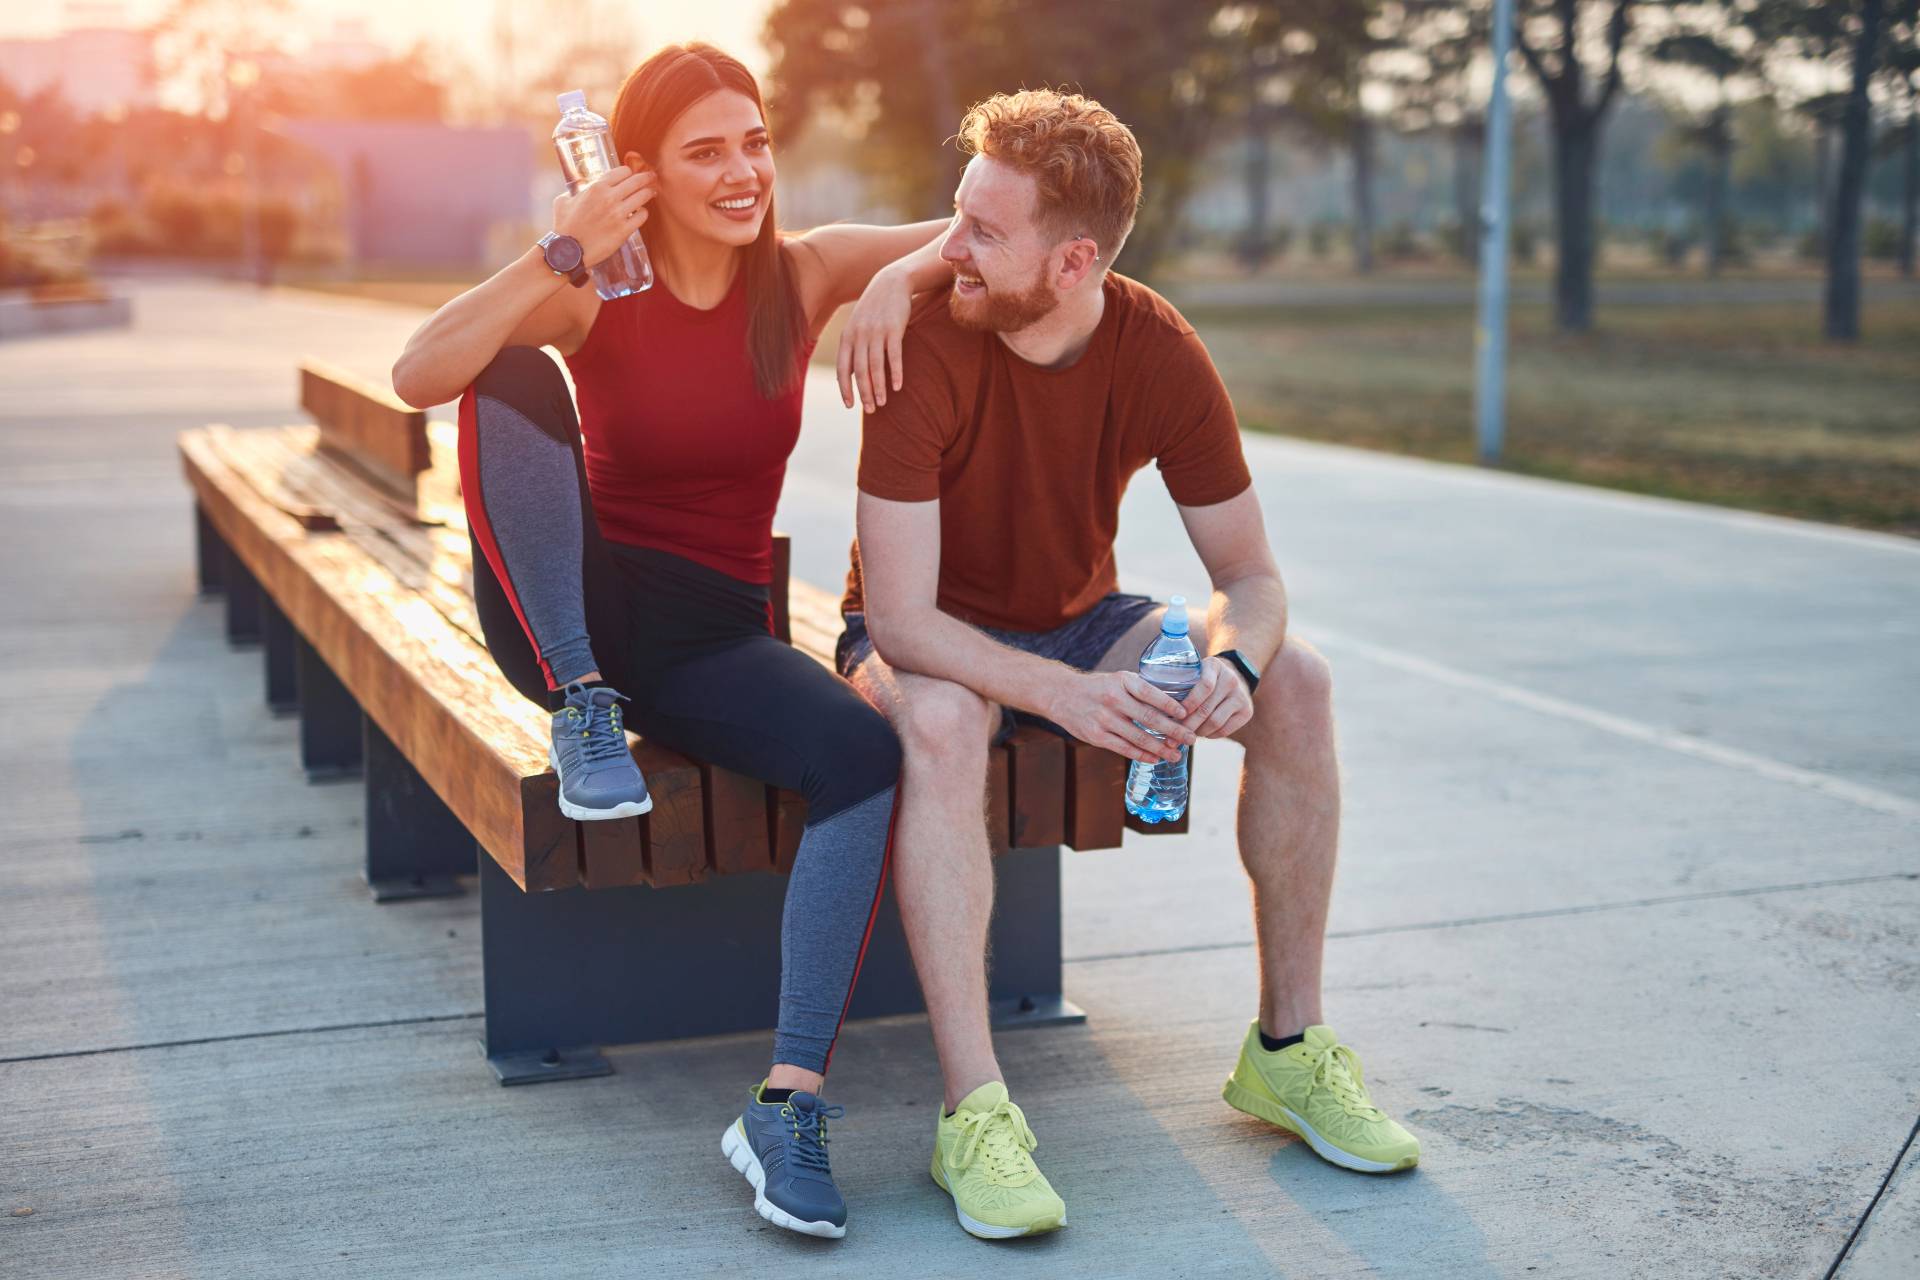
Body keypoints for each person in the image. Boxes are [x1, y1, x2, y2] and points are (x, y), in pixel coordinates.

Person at [391, 43, 953, 1241]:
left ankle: (785, 1102)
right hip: (566, 611)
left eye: (753, 142)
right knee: (509, 373)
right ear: (633, 172)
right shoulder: (598, 285)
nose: (744, 170)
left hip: (707, 633)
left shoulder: (801, 278)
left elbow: (970, 232)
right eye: (706, 151)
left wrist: (898, 284)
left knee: (863, 755)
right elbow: (418, 370)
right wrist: (566, 245)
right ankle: (583, 703)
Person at [839, 88, 1423, 1241]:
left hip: (1073, 616)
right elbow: (902, 622)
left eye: (982, 232)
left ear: (1074, 263)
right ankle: (975, 1110)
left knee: (1299, 678)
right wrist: (1063, 693)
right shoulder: (924, 340)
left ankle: (1288, 1050)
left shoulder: (1157, 348)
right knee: (949, 722)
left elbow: (1251, 578)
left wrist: (1237, 667)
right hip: (923, 636)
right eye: (956, 215)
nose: (945, 248)